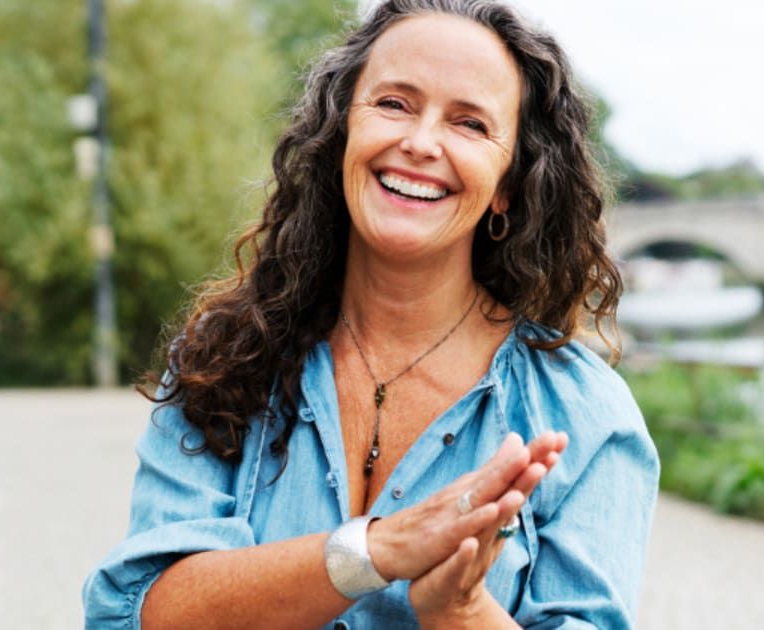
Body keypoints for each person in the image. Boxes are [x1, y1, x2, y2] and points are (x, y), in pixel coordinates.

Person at [83, 1, 659, 627]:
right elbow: (139, 611)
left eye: (468, 123)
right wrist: (375, 550)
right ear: (340, 136)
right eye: (394, 104)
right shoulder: (225, 358)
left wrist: (460, 610)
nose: (419, 142)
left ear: (508, 186)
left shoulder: (587, 415)